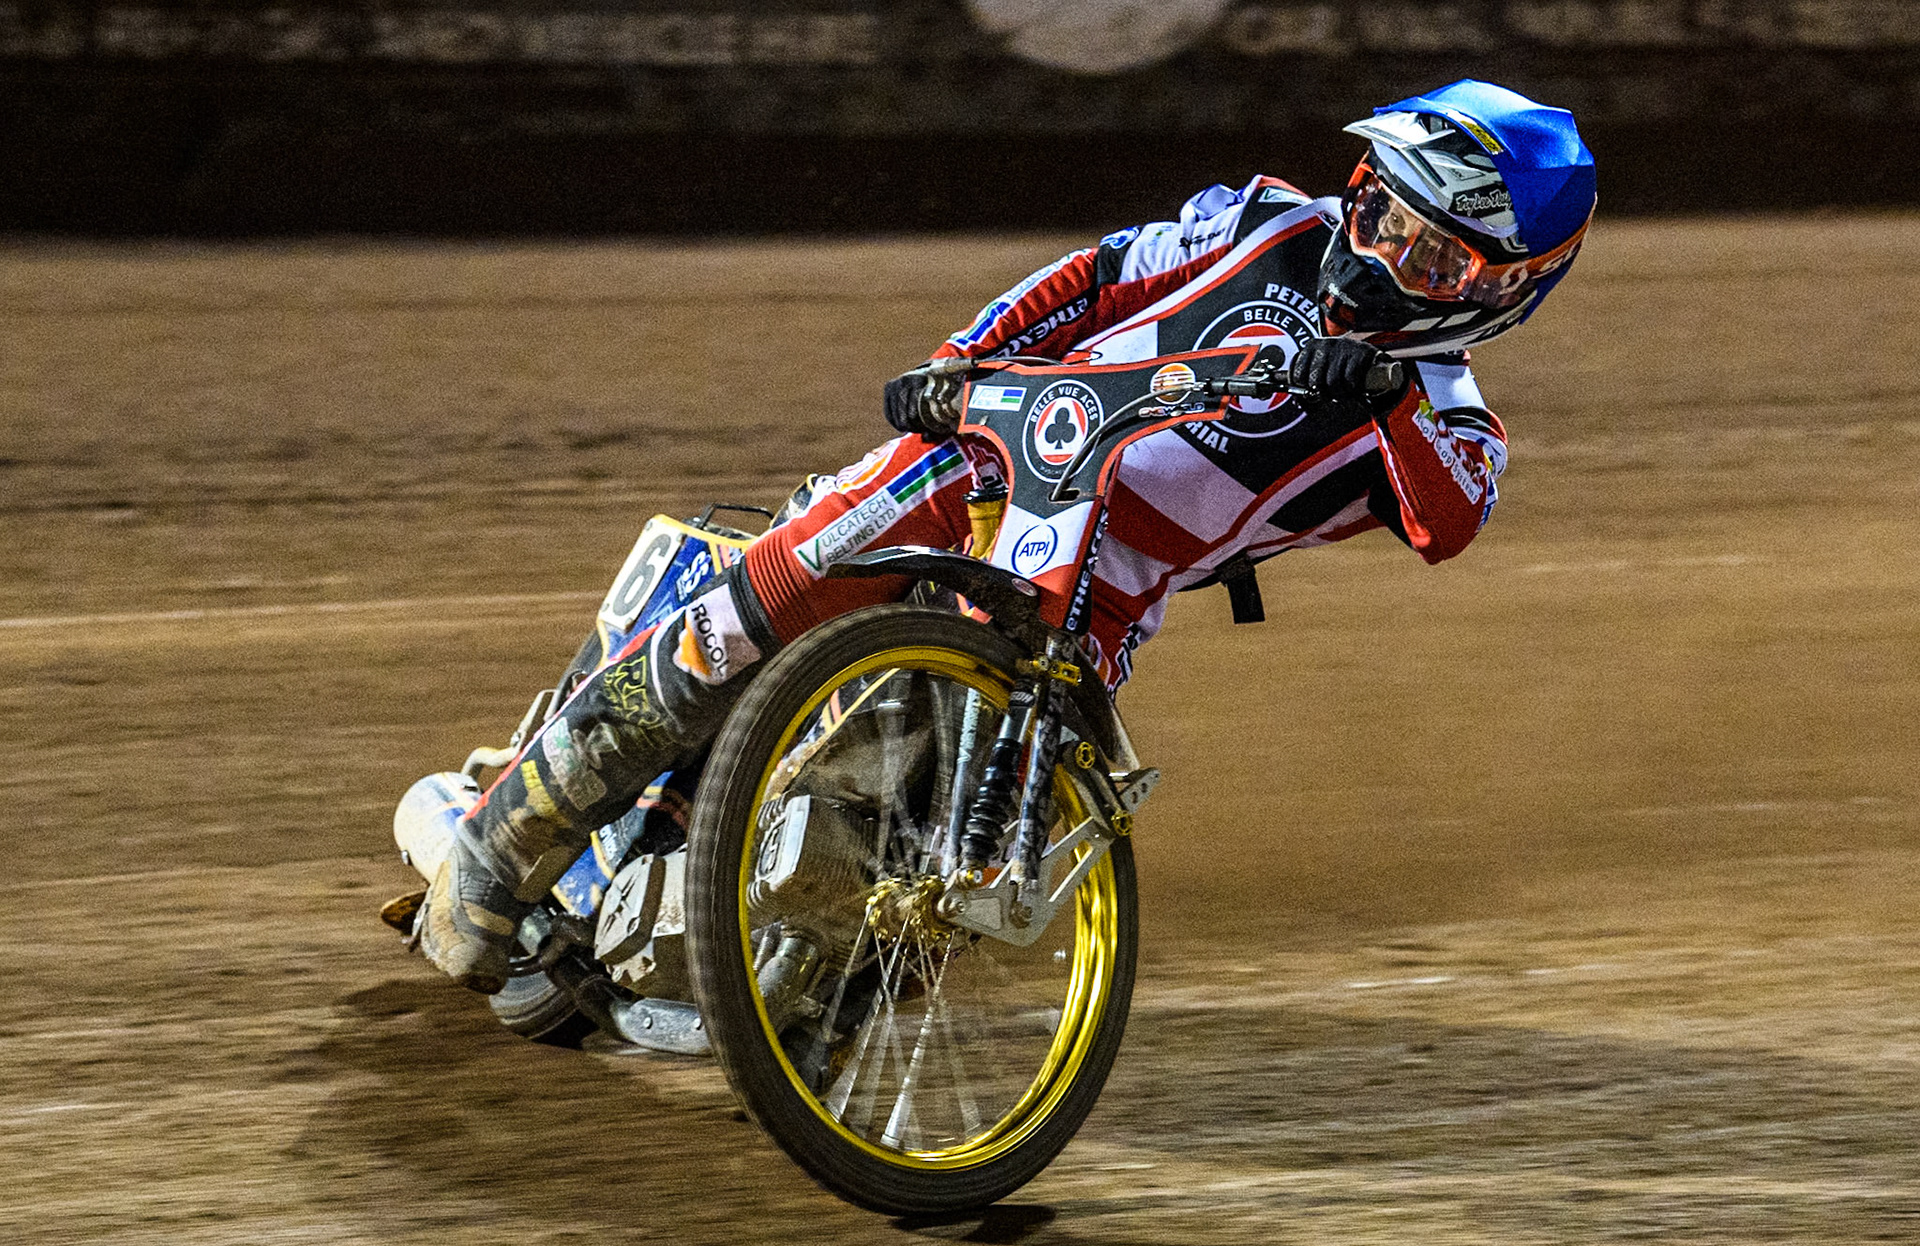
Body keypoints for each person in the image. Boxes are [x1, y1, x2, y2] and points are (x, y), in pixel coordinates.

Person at [420, 78, 1597, 992]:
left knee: (981, 867)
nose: (1386, 253)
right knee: (734, 623)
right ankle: (497, 850)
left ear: (1506, 291)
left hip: (1096, 598)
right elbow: (1089, 278)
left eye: (1434, 256)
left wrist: (1385, 384)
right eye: (1387, 211)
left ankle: (812, 1008)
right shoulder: (1259, 220)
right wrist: (958, 361)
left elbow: (1453, 520)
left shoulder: (1444, 411)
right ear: (1360, 179)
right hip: (984, 457)